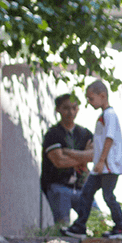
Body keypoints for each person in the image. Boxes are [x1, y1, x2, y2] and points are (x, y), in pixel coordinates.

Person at [65, 80, 122, 237]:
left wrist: (101, 162)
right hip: (100, 167)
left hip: (108, 166)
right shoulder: (103, 116)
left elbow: (109, 139)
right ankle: (80, 226)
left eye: (91, 98)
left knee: (108, 196)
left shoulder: (110, 115)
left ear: (103, 96)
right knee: (86, 193)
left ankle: (121, 227)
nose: (89, 102)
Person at [40, 93, 95, 229]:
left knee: (97, 221)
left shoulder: (85, 133)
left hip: (81, 186)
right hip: (58, 185)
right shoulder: (53, 134)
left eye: (73, 108)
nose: (70, 112)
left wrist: (69, 152)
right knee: (63, 226)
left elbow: (95, 155)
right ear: (58, 109)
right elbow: (59, 162)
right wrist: (83, 158)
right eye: (66, 108)